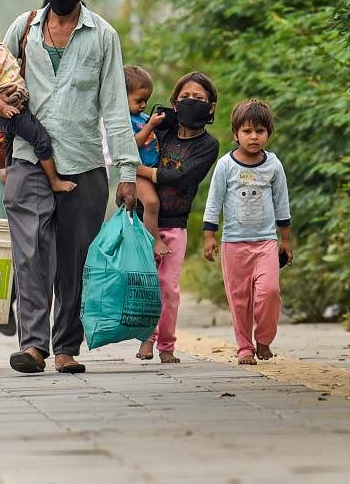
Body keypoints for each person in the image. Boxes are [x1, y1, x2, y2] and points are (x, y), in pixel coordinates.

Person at [0, 0, 140, 375]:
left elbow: (114, 106)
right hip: (27, 158)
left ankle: (65, 347)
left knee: (75, 259)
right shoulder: (24, 27)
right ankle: (33, 347)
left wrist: (126, 171)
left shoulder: (103, 35)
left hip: (86, 162)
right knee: (32, 253)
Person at [135, 71, 220, 363]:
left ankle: (166, 345)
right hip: (142, 221)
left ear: (211, 107)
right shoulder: (162, 129)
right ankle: (146, 337)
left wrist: (141, 171)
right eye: (184, 98)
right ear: (174, 101)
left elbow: (182, 177)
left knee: (168, 287)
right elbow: (133, 143)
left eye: (198, 98)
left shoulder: (208, 145)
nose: (191, 102)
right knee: (145, 283)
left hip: (175, 225)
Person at [202, 98, 293, 365]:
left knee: (269, 292)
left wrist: (285, 239)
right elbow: (214, 201)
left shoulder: (273, 165)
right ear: (236, 134)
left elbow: (282, 202)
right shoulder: (225, 165)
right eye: (247, 131)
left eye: (260, 131)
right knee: (239, 299)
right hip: (233, 244)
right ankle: (244, 347)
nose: (254, 136)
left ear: (268, 133)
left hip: (265, 241)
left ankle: (263, 339)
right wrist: (209, 236)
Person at [0, 9, 77, 194]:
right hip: (11, 113)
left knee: (11, 152)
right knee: (41, 140)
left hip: (17, 106)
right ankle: (54, 181)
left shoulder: (1, 49)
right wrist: (3, 107)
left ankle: (12, 184)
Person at [124, 65, 167, 244]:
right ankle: (154, 240)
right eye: (139, 100)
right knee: (151, 203)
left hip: (152, 169)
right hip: (136, 172)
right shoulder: (124, 120)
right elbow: (131, 145)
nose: (144, 105)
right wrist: (150, 126)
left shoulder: (141, 117)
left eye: (146, 100)